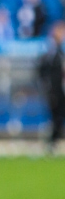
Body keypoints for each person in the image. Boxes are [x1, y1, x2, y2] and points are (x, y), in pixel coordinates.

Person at [37, 21, 65, 149]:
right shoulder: (50, 50)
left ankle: (54, 140)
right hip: (54, 89)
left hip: (60, 89)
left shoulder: (59, 52)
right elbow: (42, 69)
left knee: (58, 116)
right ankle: (52, 141)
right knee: (55, 116)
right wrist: (46, 85)